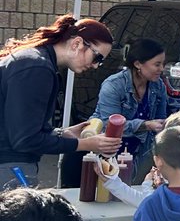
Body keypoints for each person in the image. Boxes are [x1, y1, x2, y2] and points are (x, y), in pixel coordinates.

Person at [0, 14, 121, 189]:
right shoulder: (37, 68)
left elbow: (20, 127)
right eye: (97, 58)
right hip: (9, 166)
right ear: (77, 43)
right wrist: (83, 144)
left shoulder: (34, 61)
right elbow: (25, 140)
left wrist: (63, 133)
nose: (95, 66)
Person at [92, 37, 169, 178]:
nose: (161, 69)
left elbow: (161, 120)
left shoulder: (159, 86)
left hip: (141, 152)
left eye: (163, 64)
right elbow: (109, 125)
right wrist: (145, 125)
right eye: (157, 64)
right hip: (109, 151)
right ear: (138, 64)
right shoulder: (113, 85)